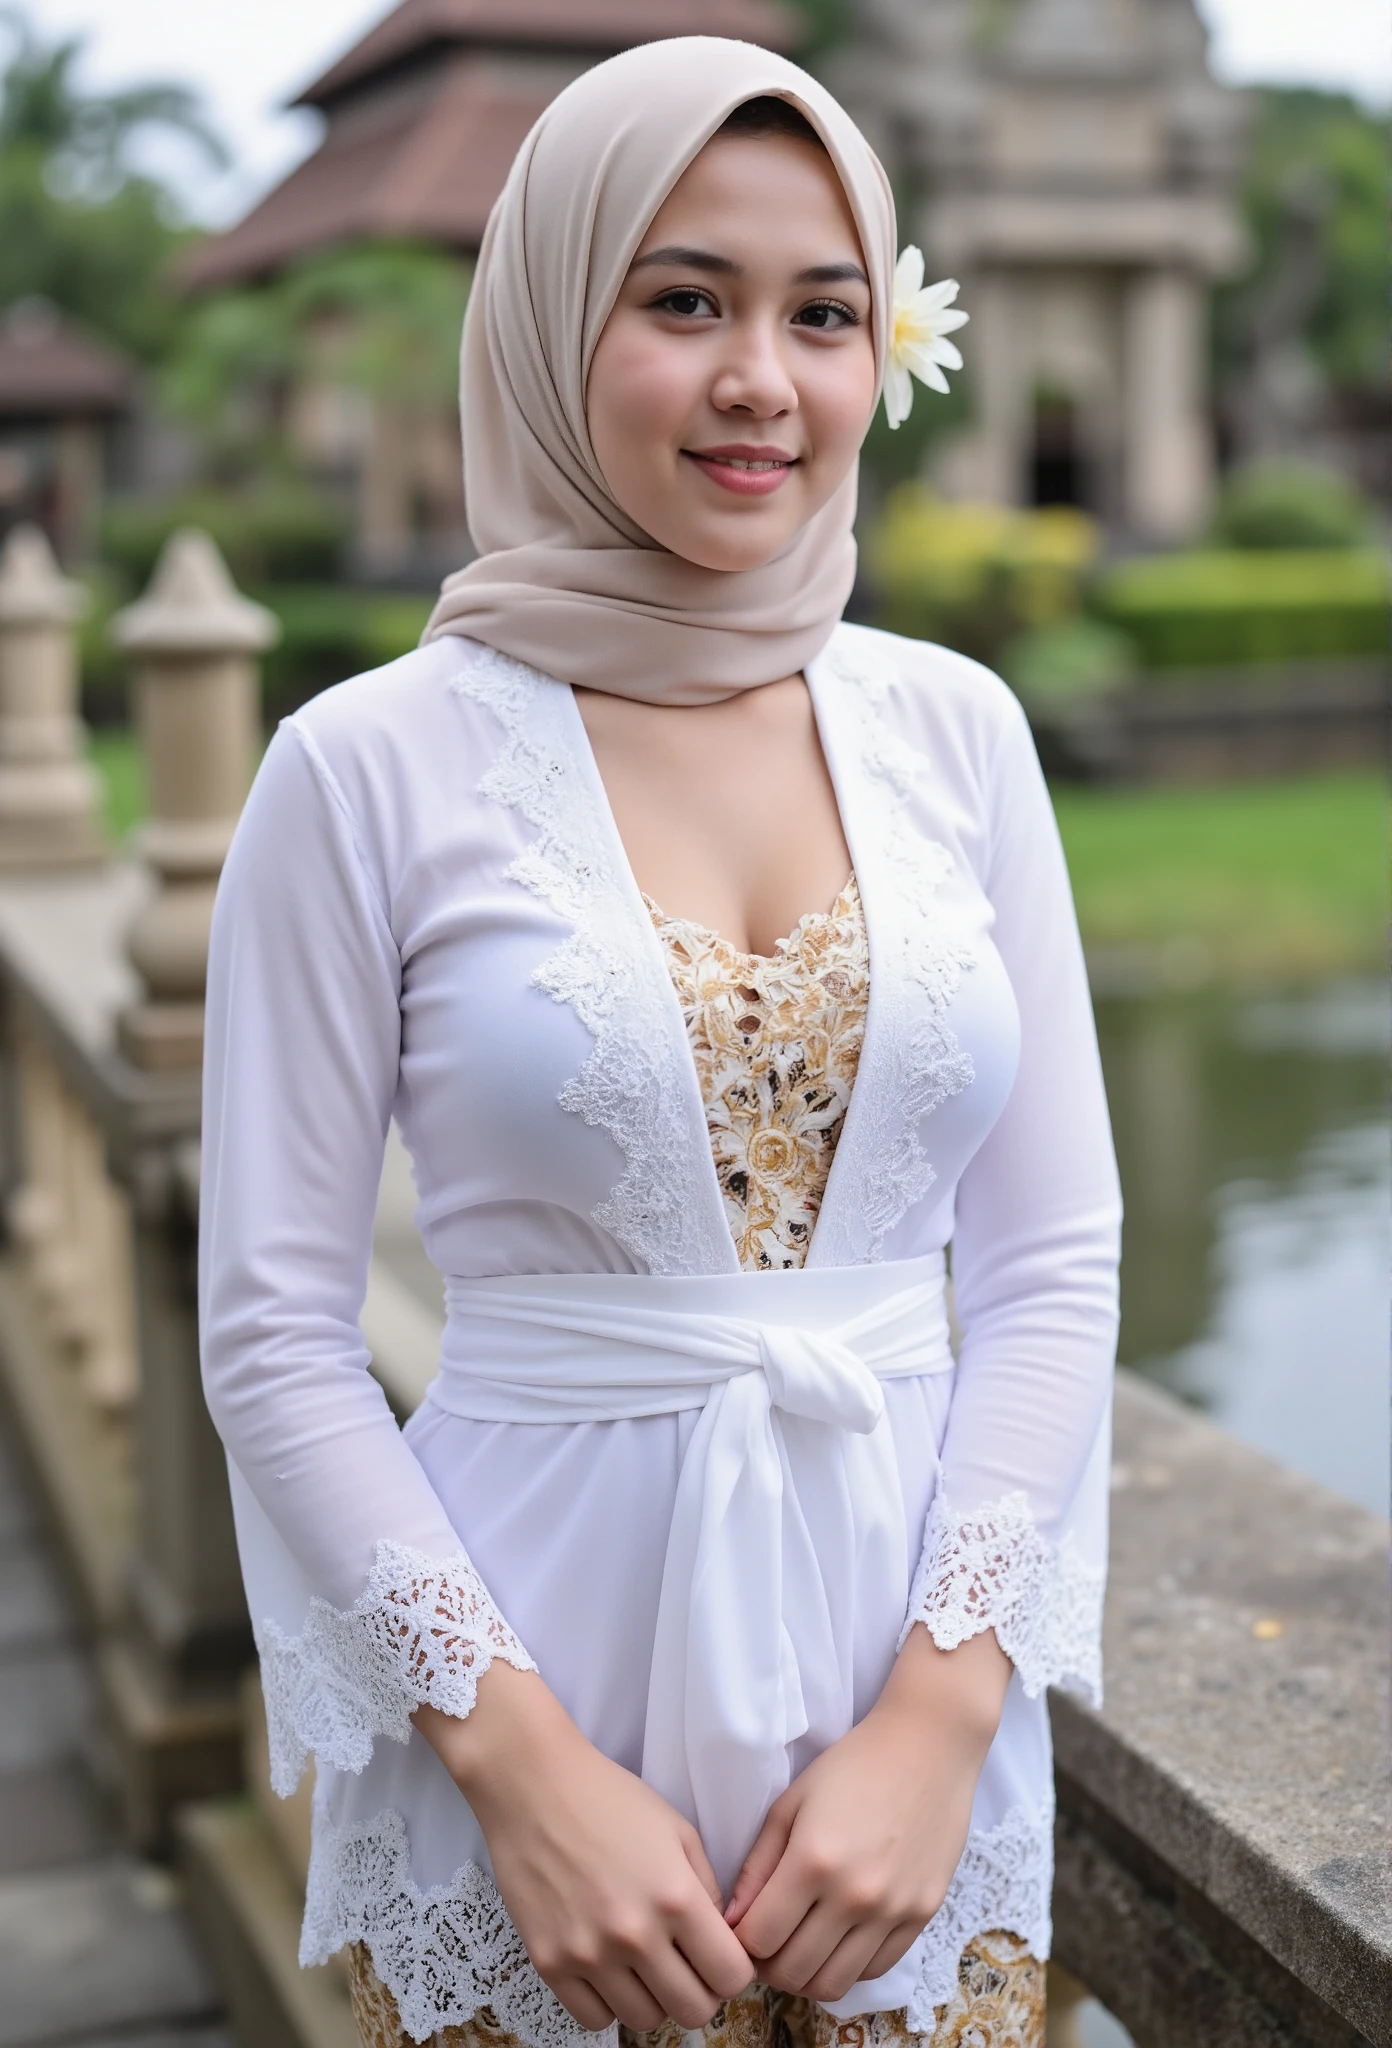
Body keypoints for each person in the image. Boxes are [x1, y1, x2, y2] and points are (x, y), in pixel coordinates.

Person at [199, 36, 1120, 2048]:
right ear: (546, 318)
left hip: (911, 1736)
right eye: (683, 299)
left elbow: (1049, 1260)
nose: (760, 383)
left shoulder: (954, 731)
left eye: (824, 313)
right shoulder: (362, 770)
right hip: (525, 1719)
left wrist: (945, 1712)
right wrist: (519, 1775)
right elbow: (274, 1326)